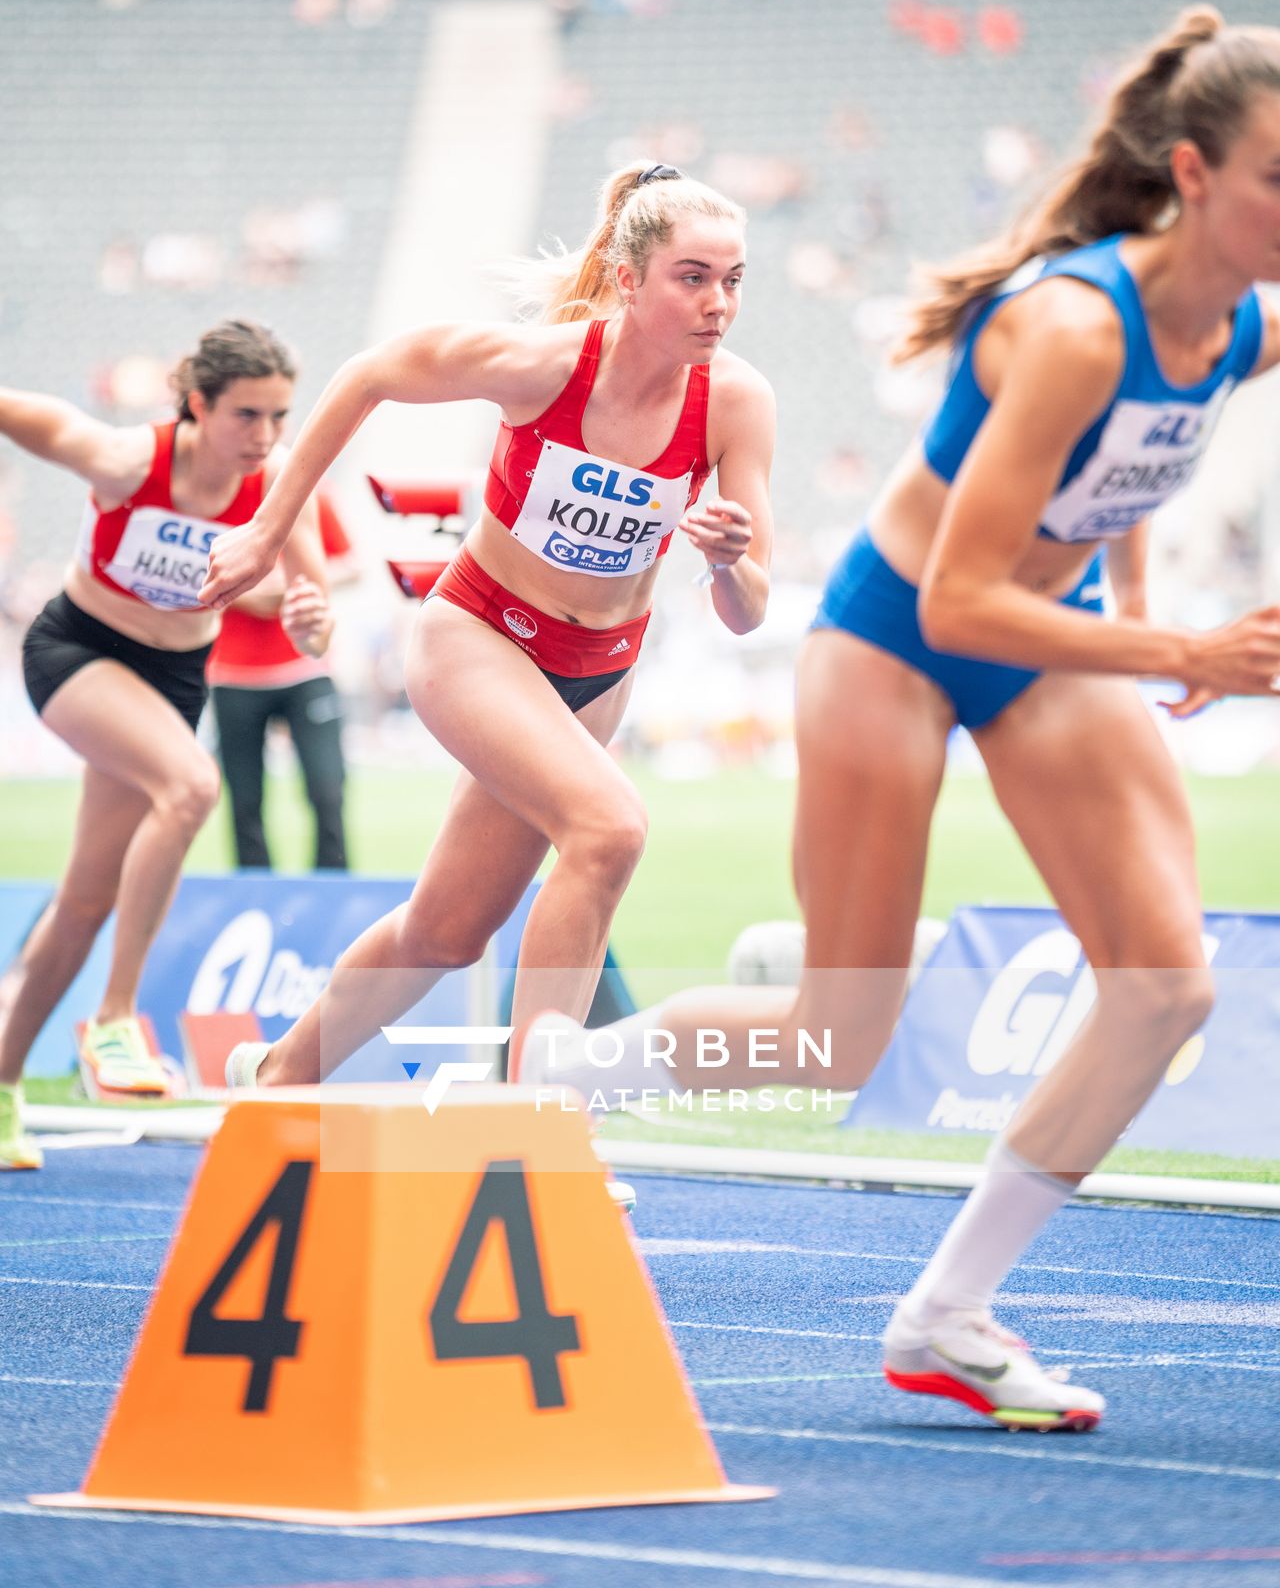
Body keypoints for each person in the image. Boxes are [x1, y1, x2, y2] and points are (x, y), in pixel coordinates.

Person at [522, 8, 1280, 1426]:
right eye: (1278, 180)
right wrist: (1176, 642)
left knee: (1168, 983)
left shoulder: (1240, 329)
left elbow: (1135, 463)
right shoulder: (1067, 326)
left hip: (1041, 642)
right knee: (836, 1034)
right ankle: (559, 1074)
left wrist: (1138, 599)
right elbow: (956, 603)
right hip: (898, 639)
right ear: (1190, 174)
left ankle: (945, 1315)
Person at [199, 163, 774, 1121]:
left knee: (449, 928)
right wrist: (267, 531)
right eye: (693, 277)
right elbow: (372, 372)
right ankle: (537, 1120)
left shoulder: (737, 403)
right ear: (629, 280)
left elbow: (748, 611)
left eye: (735, 279)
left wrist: (726, 561)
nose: (719, 303)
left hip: (600, 671)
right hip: (481, 637)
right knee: (609, 828)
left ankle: (278, 1075)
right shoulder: (544, 365)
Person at [0, 320, 331, 1167]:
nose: (264, 438)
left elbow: (311, 600)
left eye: (278, 417)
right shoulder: (126, 461)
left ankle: (2, 1088)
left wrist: (309, 611)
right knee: (192, 789)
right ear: (197, 405)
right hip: (79, 651)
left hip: (174, 679)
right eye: (246, 417)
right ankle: (115, 1019)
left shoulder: (276, 479)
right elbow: (26, 415)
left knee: (81, 903)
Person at [208, 485, 355, 871]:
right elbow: (191, 573)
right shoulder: (209, 496)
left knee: (328, 789)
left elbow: (352, 563)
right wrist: (244, 590)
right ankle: (255, 890)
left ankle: (334, 885)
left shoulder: (308, 495)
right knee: (244, 799)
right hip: (233, 674)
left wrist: (298, 583)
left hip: (306, 668)